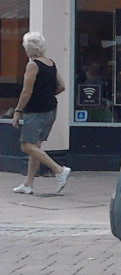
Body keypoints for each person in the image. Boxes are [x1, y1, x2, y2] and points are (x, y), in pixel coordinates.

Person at [9, 31, 71, 195]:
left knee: (27, 146)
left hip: (35, 111)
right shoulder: (51, 63)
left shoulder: (32, 65)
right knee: (36, 146)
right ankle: (28, 184)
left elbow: (26, 92)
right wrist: (46, 96)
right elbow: (61, 86)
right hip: (51, 110)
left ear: (28, 48)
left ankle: (59, 170)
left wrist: (17, 111)